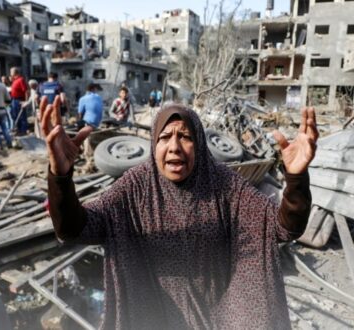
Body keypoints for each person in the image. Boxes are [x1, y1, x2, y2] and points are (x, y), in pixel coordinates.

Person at [43, 102, 318, 329]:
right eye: (164, 137)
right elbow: (73, 229)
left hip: (218, 319)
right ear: (153, 144)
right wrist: (60, 177)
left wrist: (295, 178)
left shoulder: (224, 185)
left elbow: (282, 228)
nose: (174, 146)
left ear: (199, 143)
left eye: (185, 136)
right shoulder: (135, 187)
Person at [9, 67, 28, 135]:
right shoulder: (14, 80)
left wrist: (25, 101)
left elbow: (25, 91)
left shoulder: (21, 80)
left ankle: (23, 131)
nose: (10, 73)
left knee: (21, 116)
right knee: (15, 115)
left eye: (11, 72)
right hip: (14, 100)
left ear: (15, 72)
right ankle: (18, 130)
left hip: (19, 100)